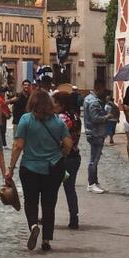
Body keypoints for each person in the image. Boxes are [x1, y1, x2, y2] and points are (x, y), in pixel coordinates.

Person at [6, 90, 73, 251]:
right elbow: (68, 144)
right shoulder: (58, 122)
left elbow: (18, 146)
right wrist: (61, 154)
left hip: (30, 167)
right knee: (49, 203)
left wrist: (11, 168)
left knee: (30, 201)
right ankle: (46, 240)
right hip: (53, 168)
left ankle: (33, 225)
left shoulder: (26, 119)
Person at [53, 86, 82, 229]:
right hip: (75, 156)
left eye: (55, 103)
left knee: (52, 188)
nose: (53, 105)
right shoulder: (76, 117)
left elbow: (57, 138)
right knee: (70, 189)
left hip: (62, 157)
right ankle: (74, 217)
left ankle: (48, 216)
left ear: (62, 105)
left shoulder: (61, 118)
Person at [82, 79, 109, 194]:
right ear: (98, 87)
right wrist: (107, 116)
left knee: (95, 158)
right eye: (103, 88)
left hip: (92, 131)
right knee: (94, 159)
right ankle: (91, 183)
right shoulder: (93, 101)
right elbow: (95, 118)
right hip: (96, 132)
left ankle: (94, 181)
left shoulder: (88, 98)